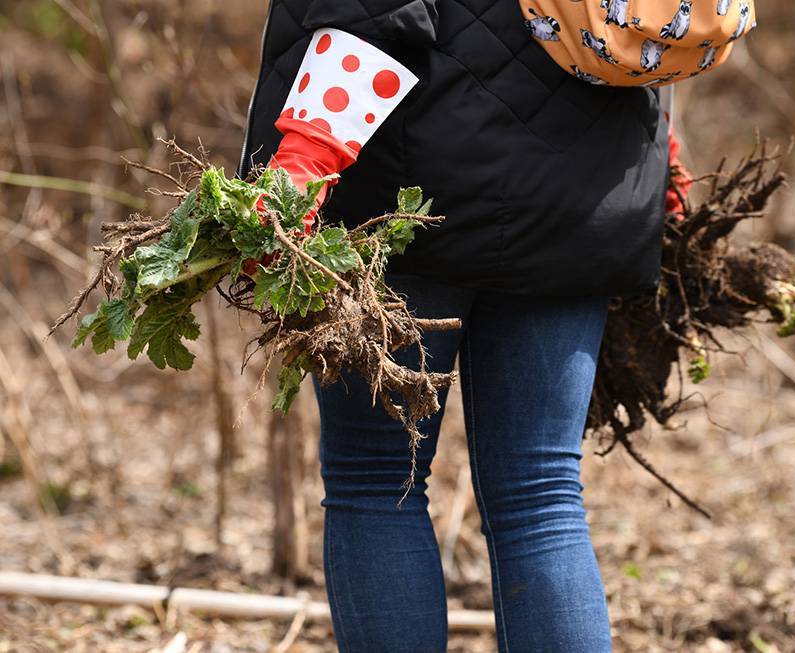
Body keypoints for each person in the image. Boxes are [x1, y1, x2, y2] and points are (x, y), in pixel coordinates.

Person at [238, 2, 677, 651]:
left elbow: (372, 11)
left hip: (406, 193)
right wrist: (664, 155)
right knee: (542, 496)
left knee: (375, 480)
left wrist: (302, 162)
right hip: (584, 190)